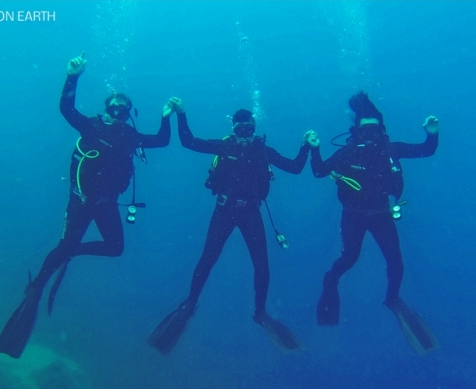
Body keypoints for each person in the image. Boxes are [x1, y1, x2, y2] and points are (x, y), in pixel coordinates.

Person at [0, 52, 178, 359]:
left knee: (115, 247)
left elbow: (161, 140)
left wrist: (166, 115)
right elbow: (66, 108)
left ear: (129, 114)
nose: (117, 115)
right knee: (64, 244)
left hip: (107, 205)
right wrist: (73, 76)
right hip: (81, 202)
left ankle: (73, 252)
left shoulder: (131, 137)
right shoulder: (91, 127)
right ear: (105, 110)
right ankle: (36, 287)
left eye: (123, 111)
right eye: (113, 109)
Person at [148, 98, 311, 355]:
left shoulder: (263, 151)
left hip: (250, 212)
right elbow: (189, 141)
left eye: (248, 130)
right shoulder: (224, 147)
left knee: (262, 264)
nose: (244, 134)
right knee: (207, 259)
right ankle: (190, 304)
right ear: (234, 129)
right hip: (224, 211)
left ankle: (260, 312)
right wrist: (181, 114)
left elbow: (295, 167)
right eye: (240, 130)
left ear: (253, 128)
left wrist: (306, 146)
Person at [306, 90, 441, 355]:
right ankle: (330, 279)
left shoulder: (391, 149)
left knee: (396, 261)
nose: (369, 136)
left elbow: (426, 151)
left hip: (381, 214)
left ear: (381, 130)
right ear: (356, 131)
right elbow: (320, 171)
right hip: (353, 216)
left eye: (374, 131)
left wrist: (432, 133)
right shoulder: (347, 152)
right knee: (350, 259)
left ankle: (392, 299)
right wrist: (315, 148)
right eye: (364, 132)